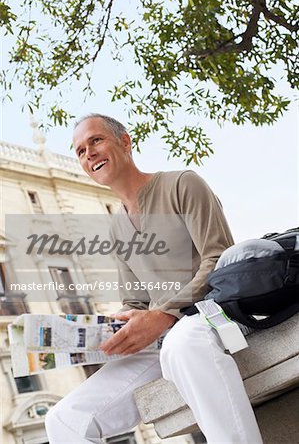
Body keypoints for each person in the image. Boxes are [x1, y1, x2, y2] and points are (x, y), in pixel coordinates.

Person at [45, 114, 263, 443]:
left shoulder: (182, 184)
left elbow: (218, 258)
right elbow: (135, 302)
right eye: (79, 151)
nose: (88, 153)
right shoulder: (117, 229)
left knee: (183, 344)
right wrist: (106, 331)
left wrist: (162, 314)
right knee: (64, 419)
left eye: (96, 140)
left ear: (125, 142)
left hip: (212, 315)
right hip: (160, 338)